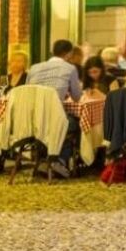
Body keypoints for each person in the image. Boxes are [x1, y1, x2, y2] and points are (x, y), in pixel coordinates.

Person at [26, 39, 83, 177]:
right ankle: (59, 160)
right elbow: (77, 97)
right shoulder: (70, 68)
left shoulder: (34, 68)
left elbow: (26, 92)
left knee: (54, 123)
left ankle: (44, 159)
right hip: (54, 119)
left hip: (32, 119)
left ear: (52, 51)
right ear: (69, 54)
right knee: (73, 124)